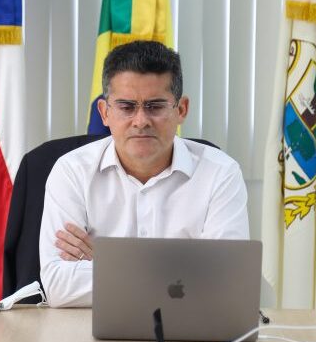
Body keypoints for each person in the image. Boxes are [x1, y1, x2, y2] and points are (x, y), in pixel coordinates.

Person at [39, 41, 249, 307]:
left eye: (155, 106)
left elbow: (226, 280)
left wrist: (107, 266)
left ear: (181, 110)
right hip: (88, 328)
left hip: (189, 327)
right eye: (127, 107)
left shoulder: (221, 173)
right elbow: (58, 286)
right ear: (104, 112)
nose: (141, 121)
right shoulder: (72, 171)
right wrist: (183, 272)